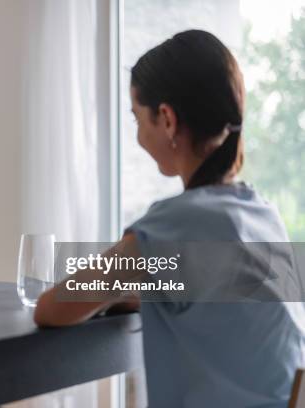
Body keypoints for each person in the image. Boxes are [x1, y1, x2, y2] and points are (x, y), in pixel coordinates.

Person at [34, 30, 305, 407]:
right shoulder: (261, 212)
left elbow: (52, 308)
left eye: (137, 118)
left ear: (166, 118)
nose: (138, 135)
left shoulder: (174, 224)